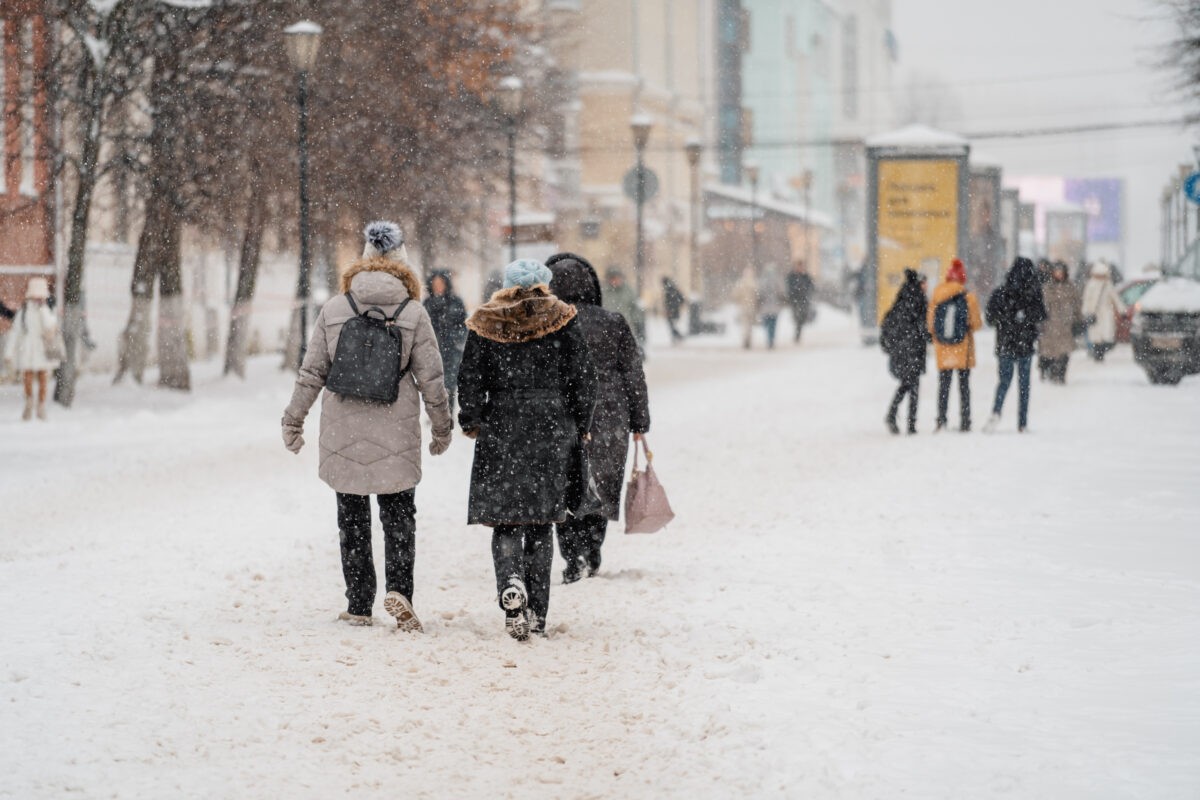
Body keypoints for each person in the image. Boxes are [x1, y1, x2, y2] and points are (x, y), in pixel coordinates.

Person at [281, 221, 453, 631]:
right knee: (399, 515)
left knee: (351, 516)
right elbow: (432, 379)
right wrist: (442, 427)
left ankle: (359, 603)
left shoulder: (335, 309)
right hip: (396, 425)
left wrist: (294, 420)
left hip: (343, 425)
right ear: (403, 264)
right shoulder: (413, 313)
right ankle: (400, 593)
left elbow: (312, 372)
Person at [458, 259, 597, 641]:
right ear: (543, 285)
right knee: (540, 520)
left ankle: (510, 582)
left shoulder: (486, 322)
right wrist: (580, 424)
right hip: (552, 426)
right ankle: (536, 614)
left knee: (506, 518)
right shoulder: (562, 319)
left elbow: (469, 375)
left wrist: (472, 419)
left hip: (503, 425)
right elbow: (584, 377)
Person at [549, 253, 650, 583]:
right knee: (602, 484)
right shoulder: (614, 321)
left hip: (565, 415)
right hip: (609, 415)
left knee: (566, 485)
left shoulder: (551, 323)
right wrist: (639, 421)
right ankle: (592, 548)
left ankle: (572, 553)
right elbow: (633, 373)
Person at [984, 258, 1048, 433]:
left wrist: (1005, 320)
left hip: (1005, 343)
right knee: (1024, 385)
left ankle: (996, 411)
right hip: (1025, 345)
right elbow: (1042, 316)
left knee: (1004, 382)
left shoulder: (1001, 292)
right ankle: (1022, 422)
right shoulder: (1033, 294)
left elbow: (989, 318)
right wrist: (1026, 318)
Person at [927, 258, 982, 432]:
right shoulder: (968, 297)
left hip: (943, 349)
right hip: (963, 347)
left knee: (944, 386)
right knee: (964, 387)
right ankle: (965, 421)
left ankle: (941, 420)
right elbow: (977, 324)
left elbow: (930, 325)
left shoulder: (937, 295)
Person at [4, 278, 60, 421]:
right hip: (27, 349)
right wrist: (9, 352)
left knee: (43, 378)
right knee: (27, 378)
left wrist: (43, 310)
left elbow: (49, 327)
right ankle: (29, 402)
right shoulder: (24, 311)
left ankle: (41, 405)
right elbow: (15, 332)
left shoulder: (47, 310)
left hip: (42, 349)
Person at [880, 269, 928, 435]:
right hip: (913, 348)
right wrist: (927, 337)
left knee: (908, 383)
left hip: (901, 349)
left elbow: (887, 324)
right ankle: (908, 422)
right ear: (919, 284)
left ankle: (896, 416)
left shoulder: (900, 301)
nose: (926, 286)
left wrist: (891, 346)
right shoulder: (919, 300)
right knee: (912, 384)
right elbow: (923, 326)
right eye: (924, 283)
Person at [424, 270, 468, 416]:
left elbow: (464, 325)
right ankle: (435, 414)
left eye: (441, 283)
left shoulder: (456, 302)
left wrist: (456, 339)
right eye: (435, 283)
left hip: (452, 351)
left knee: (449, 384)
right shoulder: (427, 304)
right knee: (433, 385)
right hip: (432, 351)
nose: (438, 287)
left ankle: (448, 412)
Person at [1038, 262, 1081, 384]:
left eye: (1061, 272)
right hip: (1049, 326)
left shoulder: (1071, 288)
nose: (1059, 274)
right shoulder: (1047, 288)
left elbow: (1077, 305)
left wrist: (1078, 320)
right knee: (1050, 352)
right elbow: (1042, 306)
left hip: (1065, 326)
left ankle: (1061, 374)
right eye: (1056, 271)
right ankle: (1051, 372)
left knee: (1064, 353)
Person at [1080, 261, 1125, 362]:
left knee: (1102, 336)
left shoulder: (1104, 285)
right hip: (1096, 313)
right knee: (1098, 336)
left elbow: (1115, 299)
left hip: (1102, 313)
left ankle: (1099, 353)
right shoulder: (1094, 284)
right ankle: (1098, 353)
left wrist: (1122, 310)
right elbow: (1087, 299)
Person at [602, 268, 645, 354]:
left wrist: (639, 323)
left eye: (617, 278)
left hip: (626, 328)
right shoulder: (603, 291)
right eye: (613, 278)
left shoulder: (629, 291)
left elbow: (636, 309)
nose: (615, 281)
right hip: (607, 329)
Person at [757, 266, 787, 350]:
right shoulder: (777, 280)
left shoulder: (762, 280)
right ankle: (771, 339)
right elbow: (781, 292)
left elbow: (759, 293)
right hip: (774, 307)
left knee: (767, 324)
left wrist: (759, 302)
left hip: (765, 307)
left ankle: (769, 339)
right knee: (773, 324)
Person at [785, 260, 815, 343]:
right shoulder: (791, 276)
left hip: (803, 300)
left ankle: (798, 332)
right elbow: (788, 287)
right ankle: (797, 332)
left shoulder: (806, 276)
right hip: (794, 300)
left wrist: (807, 291)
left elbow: (812, 286)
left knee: (802, 317)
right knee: (796, 316)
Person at [733, 267, 760, 350]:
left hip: (743, 306)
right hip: (751, 307)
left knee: (745, 324)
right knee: (750, 325)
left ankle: (745, 339)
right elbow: (758, 295)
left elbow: (735, 295)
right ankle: (748, 340)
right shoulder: (754, 283)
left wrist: (739, 301)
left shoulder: (740, 283)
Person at [661, 276, 686, 343]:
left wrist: (671, 308)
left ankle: (677, 337)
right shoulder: (673, 289)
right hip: (674, 310)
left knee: (671, 325)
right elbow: (682, 299)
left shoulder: (669, 290)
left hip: (671, 311)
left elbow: (670, 302)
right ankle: (677, 337)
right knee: (672, 325)